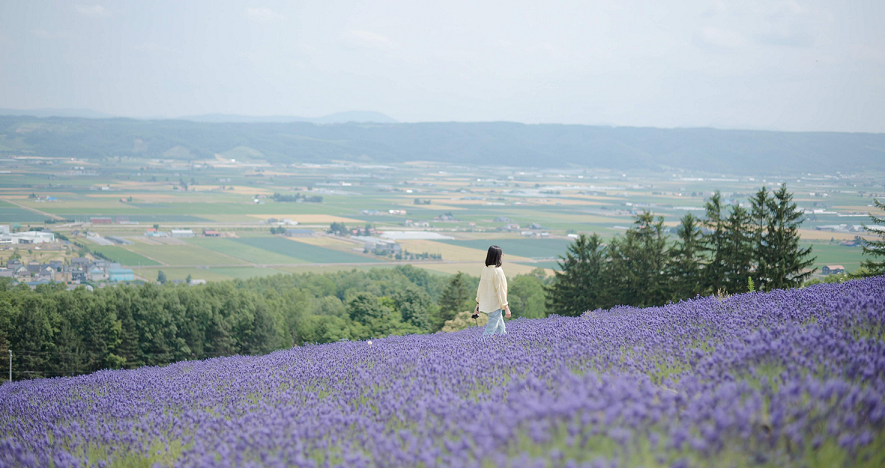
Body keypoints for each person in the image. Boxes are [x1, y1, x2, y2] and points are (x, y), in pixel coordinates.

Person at [474, 245, 511, 336]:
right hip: (495, 304)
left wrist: (478, 304)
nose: (503, 255)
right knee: (490, 330)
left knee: (501, 329)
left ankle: (504, 343)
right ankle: (480, 346)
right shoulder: (498, 271)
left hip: (489, 304)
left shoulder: (485, 269)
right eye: (501, 254)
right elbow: (500, 291)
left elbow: (481, 288)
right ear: (498, 256)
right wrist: (506, 307)